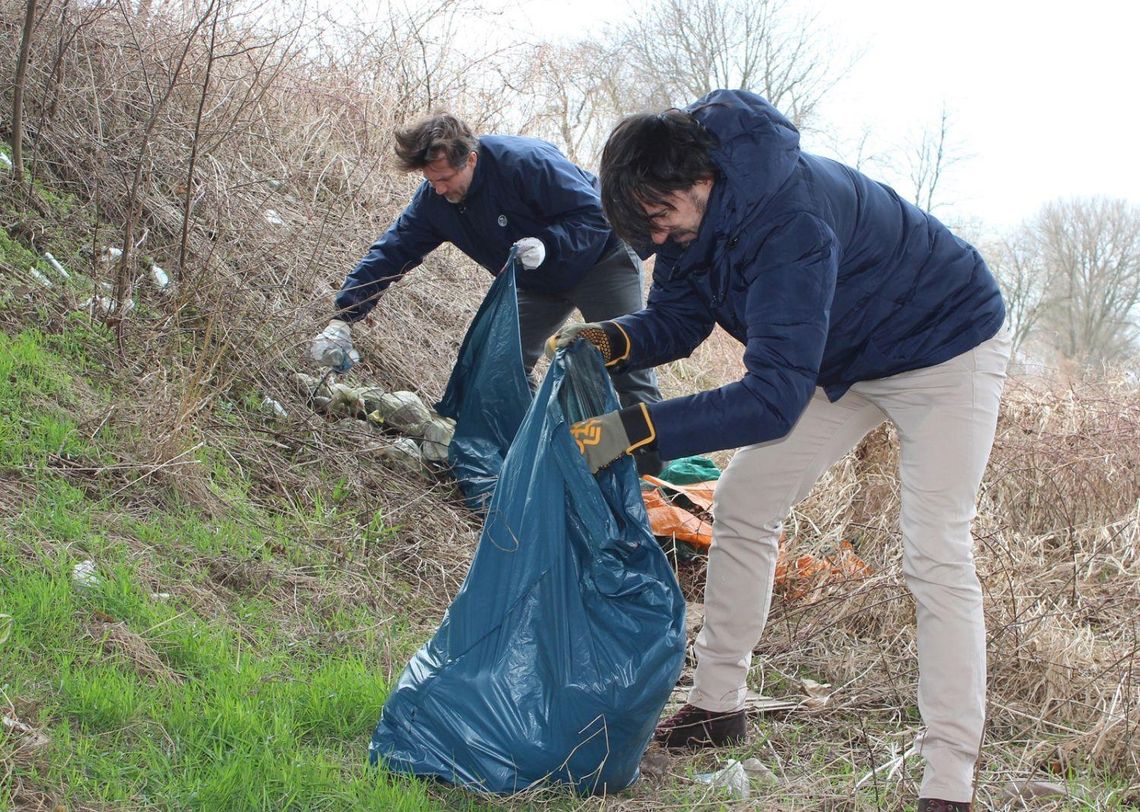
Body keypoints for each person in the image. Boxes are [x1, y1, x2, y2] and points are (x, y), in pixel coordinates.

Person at [555, 90, 1009, 812]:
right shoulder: (693, 217)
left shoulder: (790, 219)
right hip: (840, 357)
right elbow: (678, 316)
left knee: (935, 552)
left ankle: (948, 777)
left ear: (693, 183)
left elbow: (770, 400)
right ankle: (717, 705)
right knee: (745, 501)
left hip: (945, 349)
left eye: (660, 223)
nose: (658, 242)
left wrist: (636, 431)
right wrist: (614, 338)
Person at [310, 113, 663, 474]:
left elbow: (596, 213)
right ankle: (534, 459)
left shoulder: (526, 162)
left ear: (472, 159)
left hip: (601, 258)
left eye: (446, 178)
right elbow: (393, 251)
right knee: (499, 361)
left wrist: (549, 245)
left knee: (626, 365)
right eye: (431, 181)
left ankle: (650, 475)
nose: (440, 189)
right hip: (536, 279)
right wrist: (344, 318)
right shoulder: (435, 200)